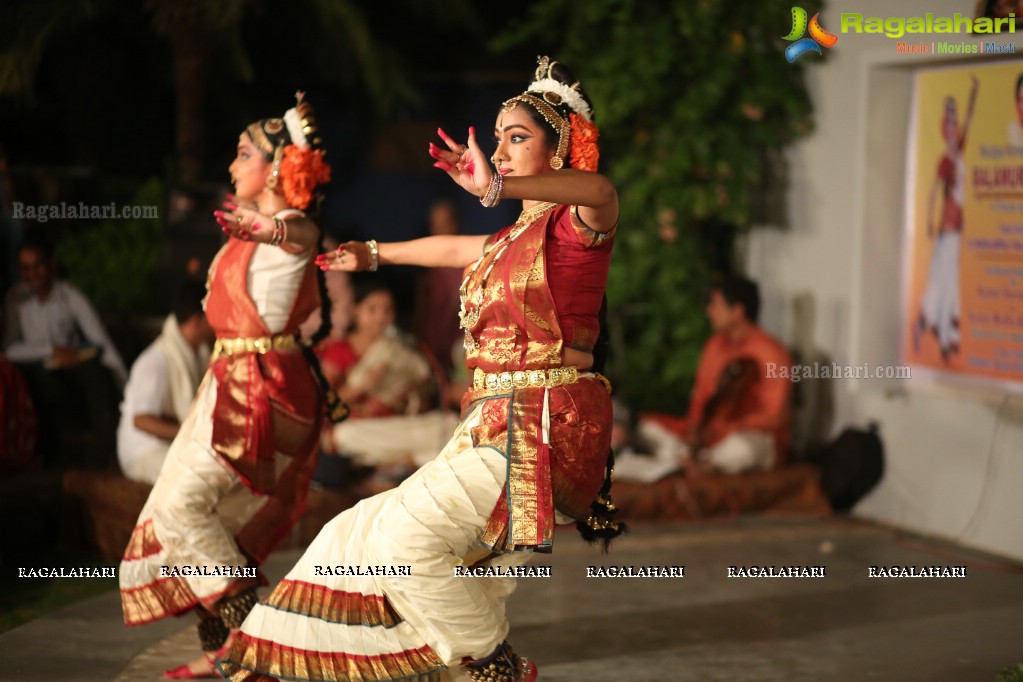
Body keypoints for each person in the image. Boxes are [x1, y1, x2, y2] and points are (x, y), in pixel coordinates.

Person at [218, 56, 621, 682]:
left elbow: (600, 190)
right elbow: (447, 249)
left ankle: (496, 663)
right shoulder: (503, 244)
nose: (502, 150)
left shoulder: (579, 231)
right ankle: (268, 664)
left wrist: (495, 189)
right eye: (499, 139)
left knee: (407, 544)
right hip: (487, 430)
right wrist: (371, 253)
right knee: (350, 535)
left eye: (519, 138)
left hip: (544, 433)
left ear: (562, 148)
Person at [118, 93, 342, 679]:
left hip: (261, 391)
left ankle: (251, 651)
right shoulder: (241, 235)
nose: (231, 166)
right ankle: (227, 651)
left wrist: (269, 226)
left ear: (275, 167)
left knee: (182, 509)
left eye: (243, 154)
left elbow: (298, 232)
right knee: (194, 516)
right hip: (228, 385)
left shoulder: (288, 229)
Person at [3, 236, 127, 466]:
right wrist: (50, 351)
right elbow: (10, 349)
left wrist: (125, 384)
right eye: (26, 268)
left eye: (38, 265)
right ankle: (52, 458)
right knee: (40, 383)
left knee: (95, 373)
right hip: (37, 369)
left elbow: (100, 340)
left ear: (51, 264)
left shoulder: (70, 295)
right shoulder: (15, 299)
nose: (33, 274)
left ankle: (105, 456)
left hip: (73, 366)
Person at [655, 277, 793, 475]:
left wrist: (730, 428)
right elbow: (701, 395)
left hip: (751, 438)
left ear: (737, 311)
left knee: (743, 448)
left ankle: (698, 463)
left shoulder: (772, 353)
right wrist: (696, 428)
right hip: (711, 435)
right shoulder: (714, 346)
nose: (709, 311)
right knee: (648, 427)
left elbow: (776, 416)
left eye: (715, 305)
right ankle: (694, 459)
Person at [116, 281, 214, 485]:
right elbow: (141, 420)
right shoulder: (155, 362)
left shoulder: (199, 353)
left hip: (170, 446)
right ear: (196, 320)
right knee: (199, 476)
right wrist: (189, 432)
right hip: (143, 452)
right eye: (212, 315)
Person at [912, 76, 978, 361]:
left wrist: (973, 92)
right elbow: (931, 194)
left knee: (946, 279)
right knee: (945, 281)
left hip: (956, 228)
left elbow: (970, 118)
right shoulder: (944, 160)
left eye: (954, 121)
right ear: (943, 129)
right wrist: (928, 221)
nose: (953, 126)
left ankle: (936, 330)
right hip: (947, 227)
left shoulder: (959, 150)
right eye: (948, 122)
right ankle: (936, 331)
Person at [413, 197, 464, 375]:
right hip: (431, 348)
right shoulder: (427, 265)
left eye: (444, 224)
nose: (439, 230)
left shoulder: (468, 264)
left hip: (460, 350)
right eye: (435, 225)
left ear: (455, 225)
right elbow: (424, 309)